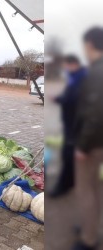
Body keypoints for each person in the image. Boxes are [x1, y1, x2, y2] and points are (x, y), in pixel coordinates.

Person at [73, 27, 103, 250]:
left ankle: (89, 238)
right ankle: (90, 226)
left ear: (90, 45)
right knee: (95, 187)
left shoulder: (96, 72)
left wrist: (82, 146)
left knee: (87, 189)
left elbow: (93, 114)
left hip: (92, 144)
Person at [49, 55, 86, 197]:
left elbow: (73, 99)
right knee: (69, 154)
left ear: (73, 64)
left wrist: (60, 99)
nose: (65, 68)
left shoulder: (81, 78)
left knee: (68, 154)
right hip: (71, 122)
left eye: (66, 65)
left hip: (76, 123)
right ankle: (70, 181)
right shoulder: (76, 76)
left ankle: (65, 186)